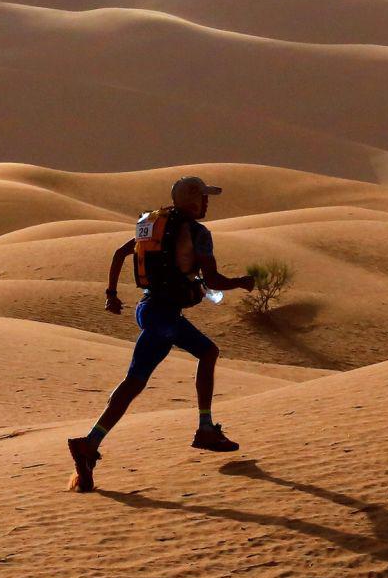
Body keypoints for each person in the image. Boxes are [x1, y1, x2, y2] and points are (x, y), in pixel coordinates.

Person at [66, 175, 255, 493]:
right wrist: (240, 282)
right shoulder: (198, 233)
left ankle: (89, 444)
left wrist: (112, 294)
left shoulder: (151, 224)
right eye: (204, 197)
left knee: (134, 383)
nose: (207, 203)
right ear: (193, 199)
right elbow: (214, 278)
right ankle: (205, 428)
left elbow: (119, 254)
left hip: (149, 309)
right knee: (207, 352)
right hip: (164, 315)